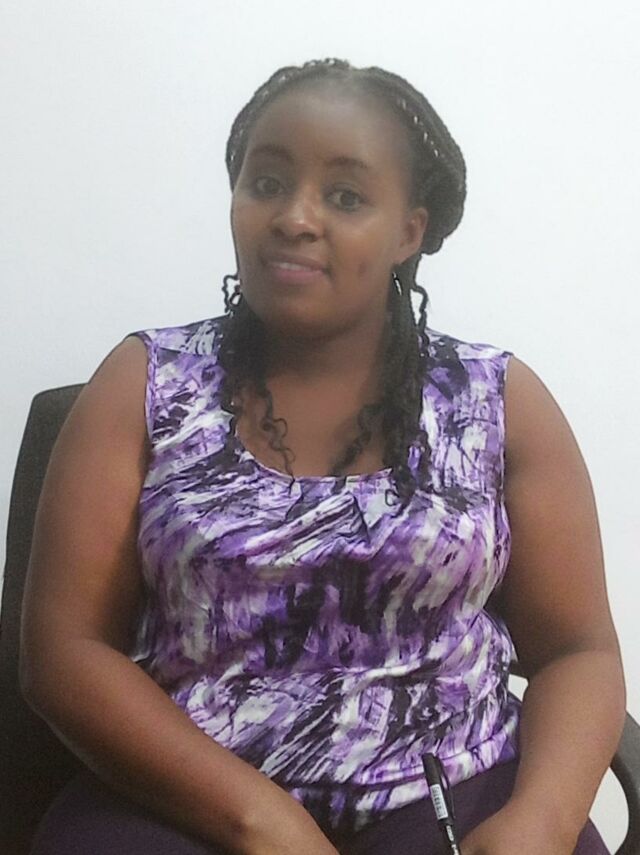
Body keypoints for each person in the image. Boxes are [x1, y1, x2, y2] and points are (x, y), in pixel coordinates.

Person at [20, 57, 625, 855]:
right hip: (184, 797)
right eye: (267, 183)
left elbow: (578, 651)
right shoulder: (144, 384)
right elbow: (65, 651)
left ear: (410, 230)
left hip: (452, 793)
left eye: (345, 196)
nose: (294, 217)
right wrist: (261, 817)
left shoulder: (497, 401)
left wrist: (542, 819)